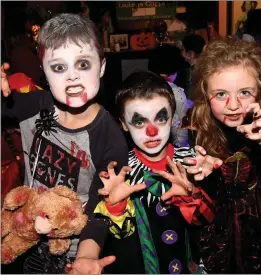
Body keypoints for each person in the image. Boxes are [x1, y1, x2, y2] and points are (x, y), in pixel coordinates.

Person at [1, 13, 129, 274]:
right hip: (27, 240)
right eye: (59, 67)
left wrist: (87, 255)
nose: (72, 77)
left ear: (102, 67)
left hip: (73, 250)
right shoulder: (33, 107)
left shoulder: (109, 136)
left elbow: (101, 205)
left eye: (83, 64)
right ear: (45, 74)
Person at [68, 71, 223, 274]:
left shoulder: (193, 163)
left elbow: (212, 227)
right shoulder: (117, 173)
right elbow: (110, 234)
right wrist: (115, 208)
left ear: (172, 117)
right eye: (139, 122)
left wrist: (194, 193)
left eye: (160, 118)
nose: (152, 132)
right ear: (123, 123)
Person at [187, 39, 261, 273]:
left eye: (245, 93)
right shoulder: (199, 132)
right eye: (220, 94)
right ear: (205, 96)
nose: (233, 105)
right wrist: (201, 181)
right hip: (220, 246)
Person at [148, 44, 192, 147]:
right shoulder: (176, 93)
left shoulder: (146, 87)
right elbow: (181, 127)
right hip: (171, 146)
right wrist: (183, 149)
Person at [181, 34, 206, 100]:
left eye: (182, 50)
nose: (181, 53)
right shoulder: (206, 68)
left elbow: (189, 98)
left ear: (190, 54)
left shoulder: (193, 73)